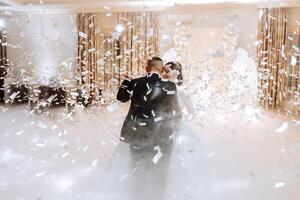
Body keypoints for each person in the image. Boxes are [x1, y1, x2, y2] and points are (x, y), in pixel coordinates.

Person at [117, 57, 181, 150]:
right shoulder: (170, 86)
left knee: (137, 163)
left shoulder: (134, 83)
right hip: (161, 134)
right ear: (162, 69)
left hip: (137, 133)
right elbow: (176, 110)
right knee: (162, 164)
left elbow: (121, 98)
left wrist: (126, 81)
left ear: (146, 68)